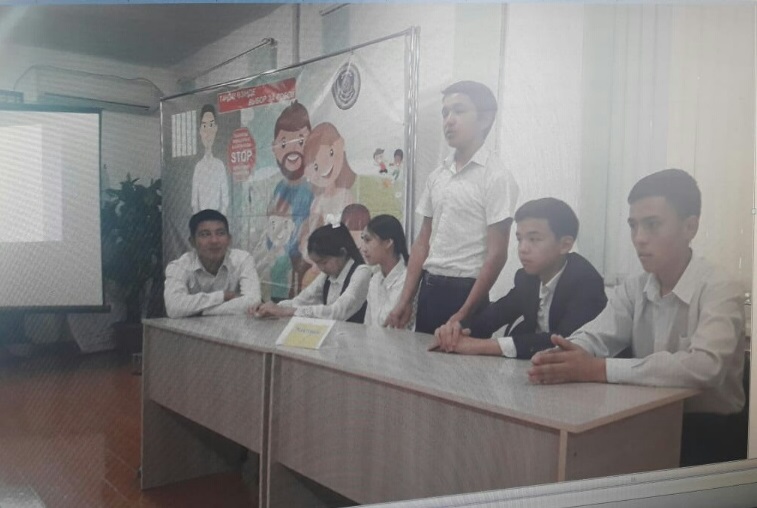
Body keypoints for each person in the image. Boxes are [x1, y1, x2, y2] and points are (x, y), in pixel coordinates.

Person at [528, 169, 747, 466]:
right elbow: (597, 334)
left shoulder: (721, 288)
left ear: (690, 227)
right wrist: (562, 356)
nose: (639, 239)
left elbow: (706, 367)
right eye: (633, 226)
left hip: (710, 432)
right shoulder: (635, 286)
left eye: (652, 225)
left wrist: (598, 368)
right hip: (648, 418)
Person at [386, 80, 519, 334]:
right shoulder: (438, 175)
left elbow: (497, 253)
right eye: (445, 113)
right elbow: (422, 242)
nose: (449, 120)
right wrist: (405, 299)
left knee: (460, 361)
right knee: (420, 358)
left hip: (468, 292)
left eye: (459, 111)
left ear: (485, 119)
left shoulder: (496, 176)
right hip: (429, 288)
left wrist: (464, 313)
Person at [432, 198, 606, 358]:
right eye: (520, 239)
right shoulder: (526, 278)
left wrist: (480, 346)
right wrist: (456, 331)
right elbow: (494, 316)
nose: (522, 248)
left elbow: (565, 342)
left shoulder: (586, 282)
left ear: (565, 245)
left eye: (534, 239)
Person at [252, 223, 371, 323]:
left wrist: (285, 311)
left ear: (343, 253)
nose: (320, 268)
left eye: (324, 262)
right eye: (317, 263)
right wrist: (269, 307)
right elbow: (300, 301)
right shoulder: (327, 276)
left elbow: (337, 312)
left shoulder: (362, 272)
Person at [164, 209, 261, 318]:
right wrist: (222, 296)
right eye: (205, 234)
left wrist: (201, 312)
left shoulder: (243, 260)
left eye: (220, 233)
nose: (214, 240)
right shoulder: (178, 266)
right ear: (192, 242)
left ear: (229, 239)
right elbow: (173, 307)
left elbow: (253, 301)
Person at [360, 214, 414, 330]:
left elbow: (390, 327)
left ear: (388, 242)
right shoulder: (375, 279)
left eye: (368, 240)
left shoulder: (407, 280)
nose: (363, 248)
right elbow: (367, 325)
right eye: (363, 240)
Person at [191, 104, 229, 215]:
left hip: (217, 216)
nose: (208, 132)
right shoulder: (198, 167)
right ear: (200, 131)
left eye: (211, 125)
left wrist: (219, 218)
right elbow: (194, 201)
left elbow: (225, 199)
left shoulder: (220, 165)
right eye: (204, 126)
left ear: (216, 128)